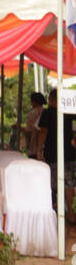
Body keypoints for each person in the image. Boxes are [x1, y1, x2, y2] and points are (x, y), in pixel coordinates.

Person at [37, 89, 75, 219]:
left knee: (53, 185)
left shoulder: (47, 113)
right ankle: (71, 213)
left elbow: (43, 132)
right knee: (69, 183)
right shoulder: (68, 112)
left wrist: (39, 150)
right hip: (69, 153)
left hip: (53, 153)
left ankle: (55, 215)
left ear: (51, 100)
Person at [23, 90, 46, 158]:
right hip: (46, 147)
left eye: (31, 101)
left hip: (34, 148)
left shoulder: (32, 114)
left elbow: (28, 131)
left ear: (34, 102)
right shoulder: (46, 112)